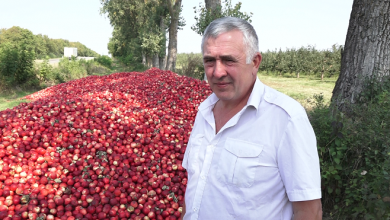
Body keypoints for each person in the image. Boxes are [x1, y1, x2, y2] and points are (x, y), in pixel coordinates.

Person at [181, 17, 322, 220]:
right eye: (209, 61)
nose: (217, 72)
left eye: (229, 60)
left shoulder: (286, 119)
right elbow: (195, 184)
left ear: (255, 62)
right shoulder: (204, 111)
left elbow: (309, 211)